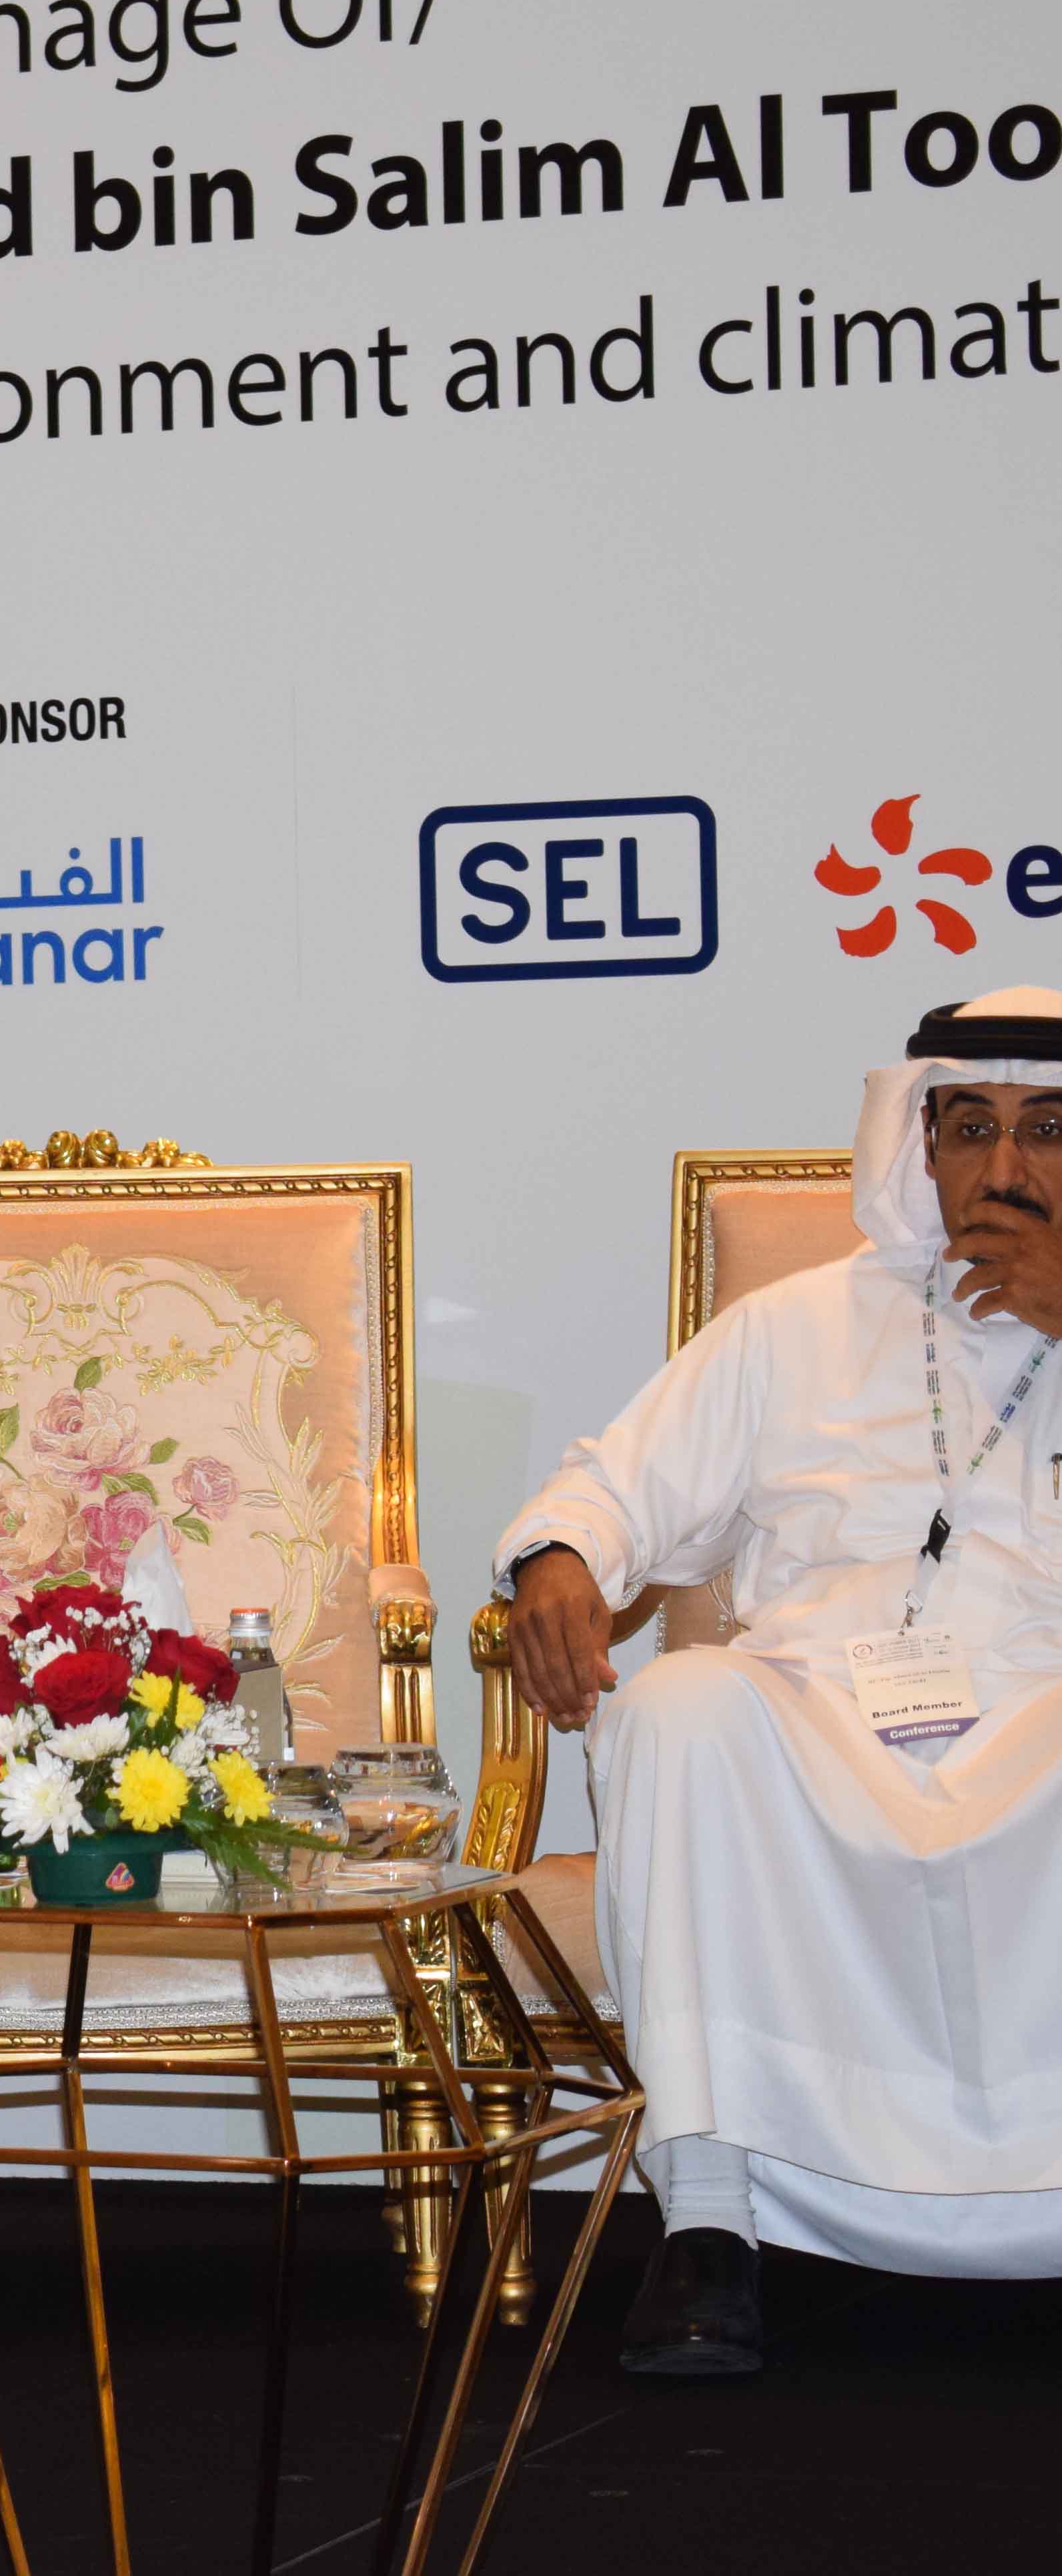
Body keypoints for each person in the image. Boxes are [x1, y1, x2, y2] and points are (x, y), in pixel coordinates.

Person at [498, 986, 1062, 2376]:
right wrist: (560, 1556)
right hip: (827, 1718)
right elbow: (615, 1482)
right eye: (971, 1127)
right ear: (918, 1145)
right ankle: (708, 2222)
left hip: (1047, 1717)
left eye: (1048, 1130)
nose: (1004, 1167)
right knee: (682, 1708)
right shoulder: (796, 1328)